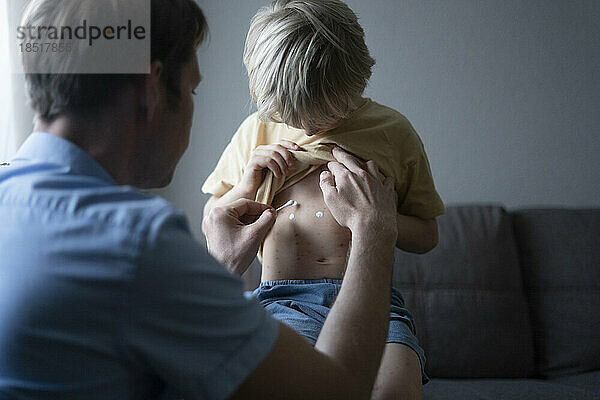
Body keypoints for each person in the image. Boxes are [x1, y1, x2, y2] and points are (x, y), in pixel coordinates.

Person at [0, 0, 401, 399]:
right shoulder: (137, 243)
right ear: (150, 90)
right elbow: (336, 391)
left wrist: (219, 269)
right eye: (193, 88)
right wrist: (373, 232)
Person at [202, 1, 445, 398]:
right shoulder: (256, 133)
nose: (310, 128)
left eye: (327, 112)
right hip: (282, 301)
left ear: (356, 80)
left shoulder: (393, 132)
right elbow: (213, 222)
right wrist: (246, 185)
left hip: (376, 304)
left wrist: (379, 218)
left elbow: (428, 235)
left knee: (394, 390)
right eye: (296, 117)